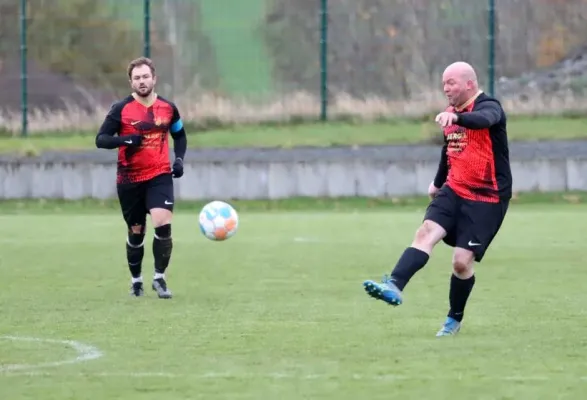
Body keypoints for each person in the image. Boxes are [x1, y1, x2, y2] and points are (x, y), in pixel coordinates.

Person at [362, 61, 512, 336]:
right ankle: (394, 284)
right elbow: (449, 149)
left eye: (451, 82)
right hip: (454, 189)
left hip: (487, 198)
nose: (446, 88)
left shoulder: (489, 107)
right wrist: (438, 182)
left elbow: (483, 121)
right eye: (444, 83)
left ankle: (453, 320)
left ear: (469, 84)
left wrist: (458, 118)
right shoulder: (449, 114)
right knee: (425, 232)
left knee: (461, 262)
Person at [95, 57, 187, 299]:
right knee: (136, 232)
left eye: (145, 76)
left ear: (154, 79)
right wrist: (124, 140)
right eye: (137, 78)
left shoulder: (168, 108)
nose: (142, 81)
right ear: (131, 82)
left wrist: (179, 160)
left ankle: (160, 278)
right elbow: (101, 139)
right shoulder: (120, 109)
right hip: (130, 180)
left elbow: (180, 135)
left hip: (160, 175)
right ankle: (136, 280)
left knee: (162, 223)